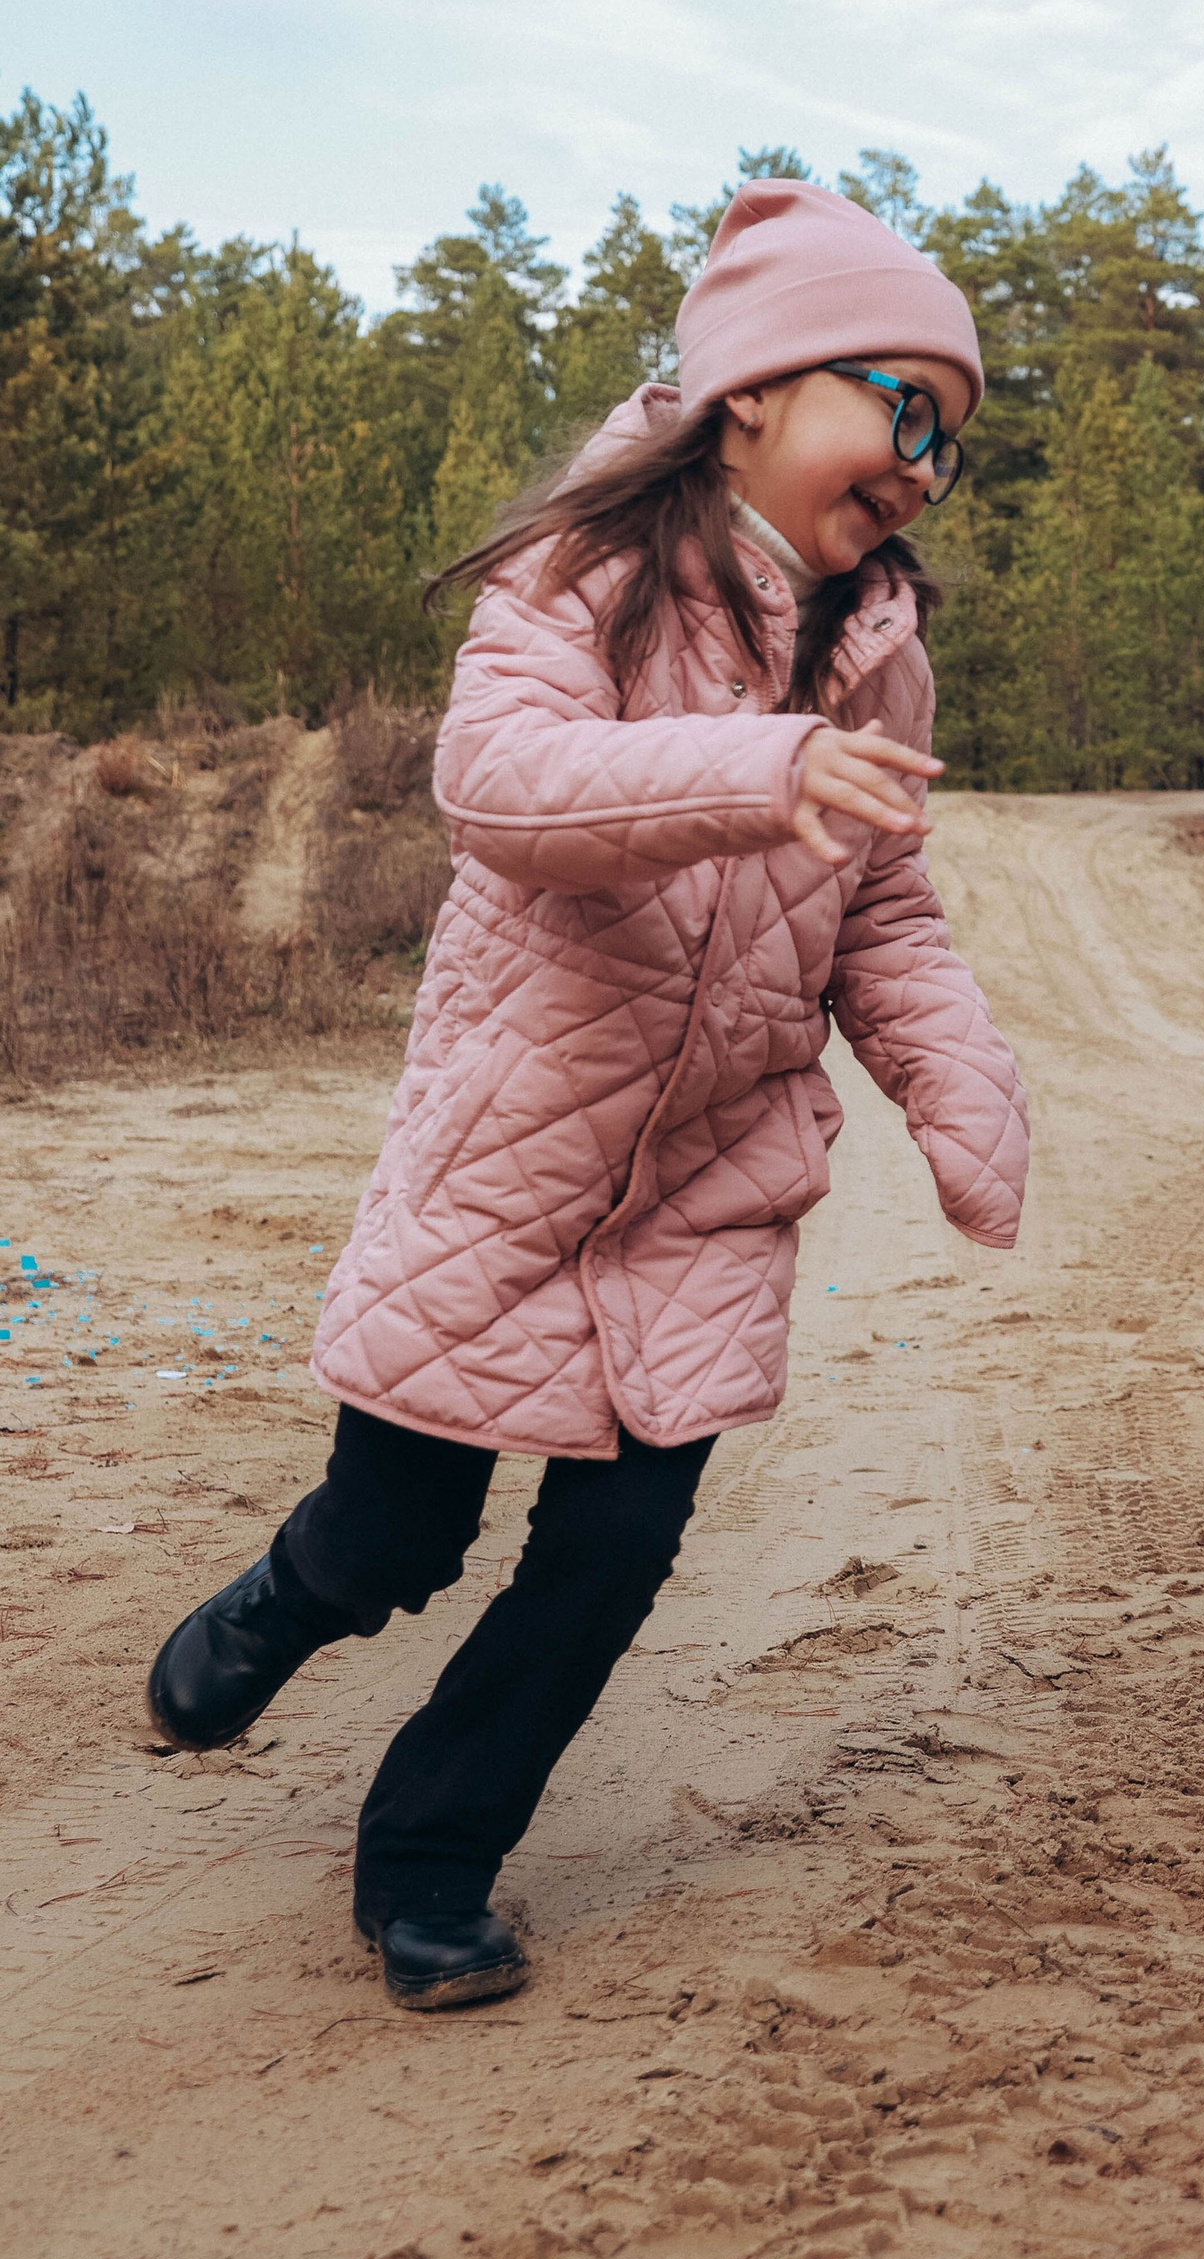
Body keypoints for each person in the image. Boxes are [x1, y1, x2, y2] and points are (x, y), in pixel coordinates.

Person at [144, 180, 1030, 2010]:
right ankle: (288, 1597)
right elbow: (499, 780)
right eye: (903, 407)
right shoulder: (589, 573)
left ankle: (430, 1861)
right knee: (400, 1530)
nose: (926, 464)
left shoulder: (881, 653)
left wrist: (962, 1089)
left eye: (952, 438)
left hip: (709, 1178)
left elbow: (887, 912)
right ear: (757, 385)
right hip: (514, 1149)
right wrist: (761, 766)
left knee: (612, 1551)